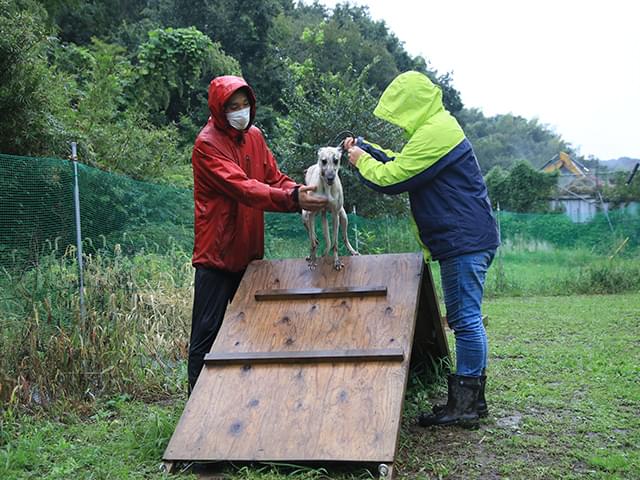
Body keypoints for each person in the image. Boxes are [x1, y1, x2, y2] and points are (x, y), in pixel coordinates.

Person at [344, 71, 499, 428]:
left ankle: (465, 405)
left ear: (412, 105)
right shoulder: (436, 128)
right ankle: (473, 402)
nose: (399, 121)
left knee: (465, 320)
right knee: (468, 319)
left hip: (463, 241)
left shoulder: (436, 133)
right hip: (467, 238)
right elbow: (402, 161)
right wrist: (366, 148)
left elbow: (394, 177)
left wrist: (360, 162)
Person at [188, 75, 327, 392]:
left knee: (249, 330)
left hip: (250, 251)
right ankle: (194, 408)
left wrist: (297, 191)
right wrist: (292, 200)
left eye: (245, 104)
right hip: (217, 255)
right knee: (207, 334)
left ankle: (242, 398)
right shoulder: (207, 145)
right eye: (233, 106)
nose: (241, 111)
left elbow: (273, 179)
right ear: (219, 110)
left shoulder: (254, 137)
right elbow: (244, 188)